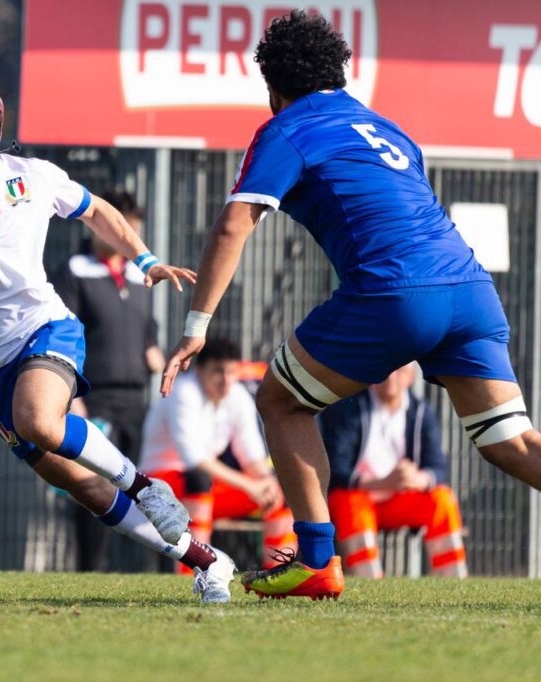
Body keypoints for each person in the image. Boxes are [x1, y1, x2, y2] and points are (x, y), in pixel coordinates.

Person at [161, 10, 541, 600]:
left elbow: (234, 226)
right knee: (511, 442)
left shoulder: (286, 128)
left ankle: (315, 561)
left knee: (281, 401)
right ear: (339, 72)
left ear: (272, 89)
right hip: (471, 291)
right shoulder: (389, 129)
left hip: (394, 293)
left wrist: (196, 327)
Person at [0, 76, 235, 601]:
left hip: (44, 326)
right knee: (81, 483)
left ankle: (147, 487)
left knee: (40, 418)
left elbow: (98, 209)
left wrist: (143, 259)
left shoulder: (33, 175)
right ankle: (206, 561)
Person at [52, 191, 165, 571]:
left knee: (144, 487)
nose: (124, 237)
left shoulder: (138, 275)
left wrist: (157, 355)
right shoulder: (74, 270)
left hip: (137, 398)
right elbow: (62, 332)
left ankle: (148, 570)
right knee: (95, 483)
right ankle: (89, 568)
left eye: (132, 230)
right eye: (120, 227)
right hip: (94, 397)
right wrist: (70, 395)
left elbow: (148, 331)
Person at [140, 338, 296, 571]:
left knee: (276, 490)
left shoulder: (238, 396)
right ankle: (194, 572)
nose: (226, 380)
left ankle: (279, 572)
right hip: (159, 488)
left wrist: (266, 482)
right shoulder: (183, 392)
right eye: (218, 371)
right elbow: (195, 459)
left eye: (232, 372)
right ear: (200, 369)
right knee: (198, 479)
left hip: (205, 492)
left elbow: (251, 457)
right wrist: (249, 486)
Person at [321, 365, 467, 578]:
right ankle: (368, 582)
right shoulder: (348, 407)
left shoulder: (420, 411)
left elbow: (437, 466)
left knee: (442, 499)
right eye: (386, 369)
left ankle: (454, 581)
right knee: (348, 502)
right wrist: (381, 483)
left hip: (401, 499)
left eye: (399, 371)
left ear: (411, 376)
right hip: (359, 498)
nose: (390, 378)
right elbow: (335, 469)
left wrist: (418, 478)